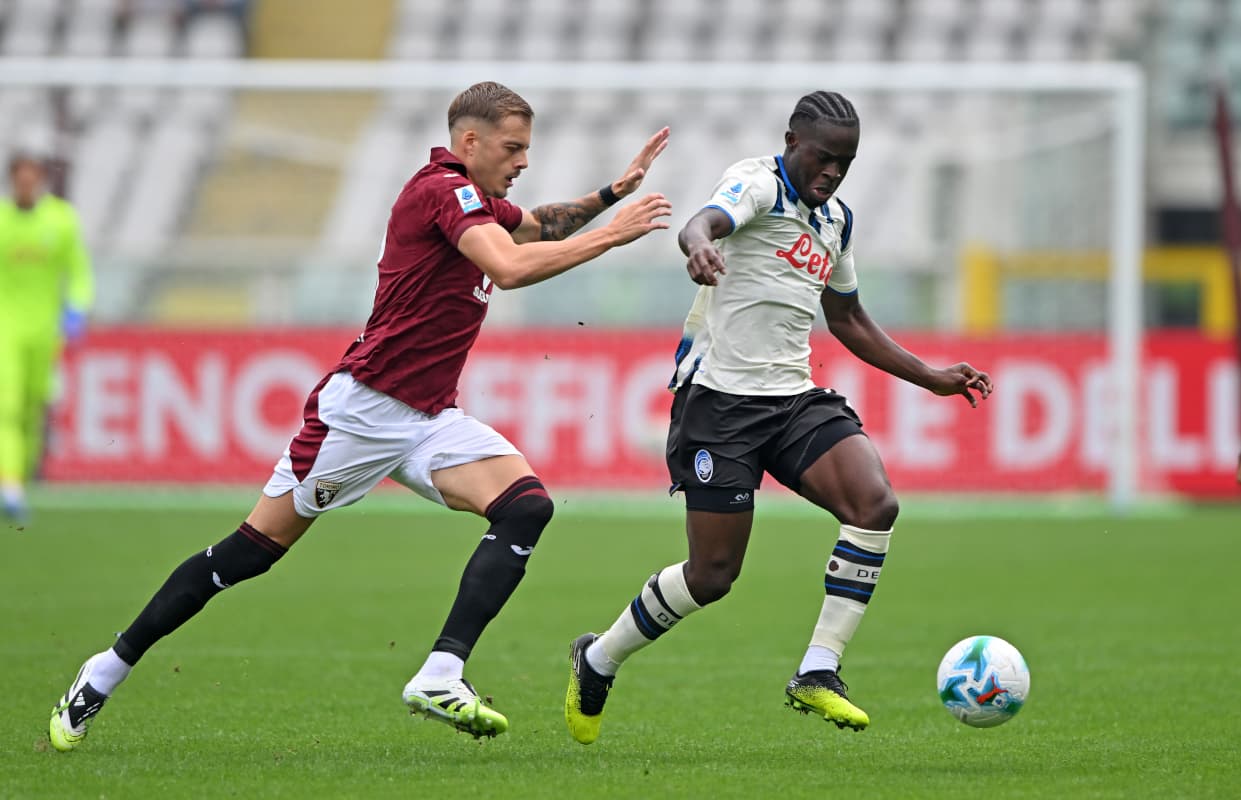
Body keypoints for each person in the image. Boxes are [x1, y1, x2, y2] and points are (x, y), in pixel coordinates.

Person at [49, 81, 672, 751]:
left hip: (430, 417)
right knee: (247, 554)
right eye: (512, 147)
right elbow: (511, 266)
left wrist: (611, 193)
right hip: (364, 413)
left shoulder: (475, 198)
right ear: (469, 142)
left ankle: (440, 671)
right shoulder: (440, 190)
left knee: (525, 506)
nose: (523, 161)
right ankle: (104, 670)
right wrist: (611, 236)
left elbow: (538, 226)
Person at [564, 90, 993, 744]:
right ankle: (598, 658)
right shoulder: (756, 183)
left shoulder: (836, 220)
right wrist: (698, 246)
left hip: (791, 400)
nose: (831, 173)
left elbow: (846, 317)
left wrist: (930, 376)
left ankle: (818, 670)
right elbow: (702, 222)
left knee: (874, 506)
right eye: (822, 158)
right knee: (711, 577)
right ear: (792, 140)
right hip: (718, 404)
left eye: (844, 163)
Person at [0, 152, 93, 523]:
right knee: (5, 405)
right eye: (19, 178)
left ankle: (19, 483)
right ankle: (10, 484)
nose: (25, 184)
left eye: (31, 177)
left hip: (46, 330)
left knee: (32, 410)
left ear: (38, 179)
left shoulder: (61, 220)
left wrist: (76, 308)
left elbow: (80, 272)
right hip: (5, 327)